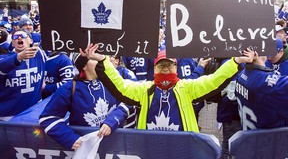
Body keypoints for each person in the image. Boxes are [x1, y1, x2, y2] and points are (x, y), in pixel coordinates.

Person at [81, 44, 254, 132]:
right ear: (154, 68)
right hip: (150, 151)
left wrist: (236, 62)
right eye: (161, 65)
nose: (165, 69)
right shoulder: (144, 90)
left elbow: (213, 80)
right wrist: (104, 60)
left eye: (169, 65)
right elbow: (120, 85)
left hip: (183, 150)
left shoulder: (187, 88)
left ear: (176, 67)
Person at [39, 53, 136, 150]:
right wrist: (70, 139)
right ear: (84, 66)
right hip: (87, 147)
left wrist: (112, 121)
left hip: (113, 144)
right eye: (94, 59)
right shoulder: (69, 88)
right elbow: (48, 118)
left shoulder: (112, 81)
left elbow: (129, 101)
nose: (100, 62)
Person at [0, 29, 46, 120]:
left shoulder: (39, 54)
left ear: (31, 41)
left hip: (33, 113)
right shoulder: (4, 58)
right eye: (15, 37)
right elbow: (2, 66)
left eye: (23, 36)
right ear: (12, 43)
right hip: (8, 116)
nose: (19, 38)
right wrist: (19, 57)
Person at [235, 50, 288, 130]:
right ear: (255, 54)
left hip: (253, 134)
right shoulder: (266, 84)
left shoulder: (242, 74)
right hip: (270, 138)